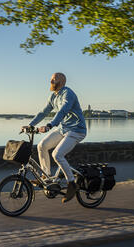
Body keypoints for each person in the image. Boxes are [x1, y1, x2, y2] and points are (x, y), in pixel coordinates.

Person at [22, 72, 86, 203]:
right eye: (50, 79)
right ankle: (47, 177)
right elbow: (43, 112)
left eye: (53, 80)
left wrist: (50, 125)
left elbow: (63, 111)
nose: (50, 82)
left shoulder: (68, 94)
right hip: (63, 129)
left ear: (61, 82)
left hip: (76, 130)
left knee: (57, 155)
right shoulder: (53, 96)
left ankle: (72, 184)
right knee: (42, 146)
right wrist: (30, 125)